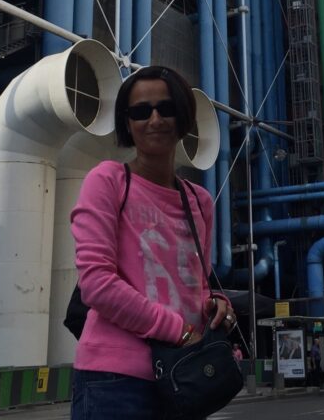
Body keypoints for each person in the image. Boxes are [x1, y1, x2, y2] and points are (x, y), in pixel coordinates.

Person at [70, 65, 235, 420]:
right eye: (141, 111)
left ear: (183, 116)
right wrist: (179, 331)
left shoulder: (200, 201)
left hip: (183, 377)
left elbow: (197, 284)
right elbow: (96, 283)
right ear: (127, 123)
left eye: (166, 108)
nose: (155, 119)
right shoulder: (109, 181)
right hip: (116, 381)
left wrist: (214, 304)